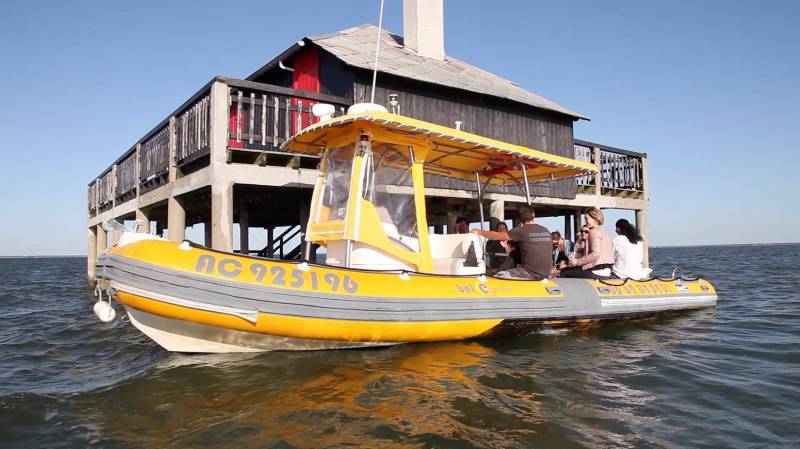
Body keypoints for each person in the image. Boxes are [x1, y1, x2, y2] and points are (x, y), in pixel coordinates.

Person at [472, 206, 552, 280]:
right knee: (517, 251)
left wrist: (479, 232)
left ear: (519, 218)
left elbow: (496, 235)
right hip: (546, 272)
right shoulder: (546, 230)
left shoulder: (521, 230)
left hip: (530, 273)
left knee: (498, 275)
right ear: (533, 214)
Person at [560, 207, 614, 279]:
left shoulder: (593, 232)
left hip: (596, 269)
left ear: (595, 218)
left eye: (587, 219)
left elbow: (595, 254)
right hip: (607, 270)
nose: (585, 221)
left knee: (564, 271)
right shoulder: (605, 232)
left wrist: (577, 261)